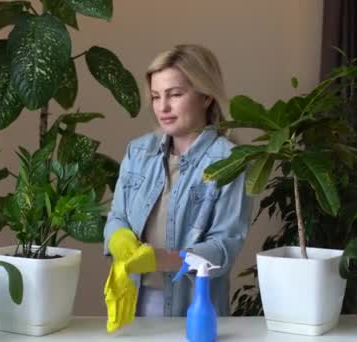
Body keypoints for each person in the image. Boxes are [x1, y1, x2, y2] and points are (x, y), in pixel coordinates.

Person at [103, 44, 253, 318]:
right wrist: (119, 238)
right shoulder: (138, 152)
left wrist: (161, 260)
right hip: (134, 304)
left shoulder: (229, 161)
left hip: (194, 308)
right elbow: (117, 216)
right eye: (156, 96)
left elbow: (224, 248)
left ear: (206, 96)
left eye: (175, 95)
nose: (163, 107)